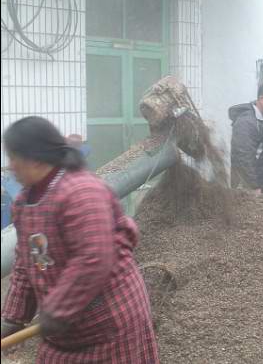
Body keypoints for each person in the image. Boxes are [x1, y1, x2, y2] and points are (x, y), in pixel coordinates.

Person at [0, 116, 159, 363]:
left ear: (34, 157)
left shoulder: (81, 191)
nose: (11, 166)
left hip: (108, 323)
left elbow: (93, 258)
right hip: (64, 332)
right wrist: (13, 317)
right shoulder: (24, 203)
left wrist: (57, 309)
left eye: (13, 157)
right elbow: (25, 262)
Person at [229, 82, 263, 193]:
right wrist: (252, 186)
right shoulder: (247, 122)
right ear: (261, 98)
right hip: (249, 188)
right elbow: (242, 157)